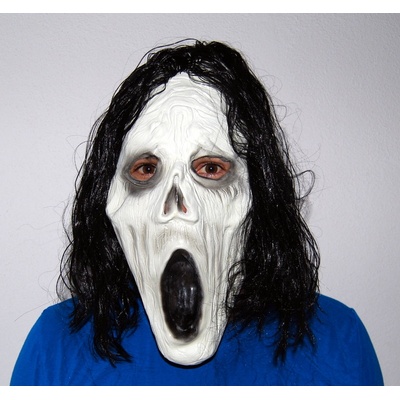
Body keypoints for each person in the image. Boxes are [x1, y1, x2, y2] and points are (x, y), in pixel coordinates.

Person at [10, 39, 383, 385]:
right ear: (109, 199)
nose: (176, 205)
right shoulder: (56, 346)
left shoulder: (337, 342)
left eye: (210, 168)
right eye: (146, 169)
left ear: (259, 194)